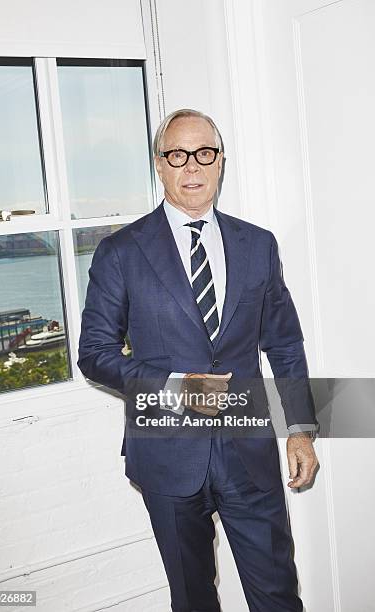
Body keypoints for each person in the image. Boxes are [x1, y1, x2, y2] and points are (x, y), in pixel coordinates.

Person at [77, 108, 319, 612]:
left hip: (249, 455)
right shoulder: (120, 252)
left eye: (204, 153)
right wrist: (176, 386)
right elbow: (94, 354)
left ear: (220, 162)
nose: (192, 166)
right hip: (166, 457)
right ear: (159, 165)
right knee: (192, 599)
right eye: (177, 155)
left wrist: (299, 428)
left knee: (277, 593)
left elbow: (286, 344)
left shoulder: (258, 245)